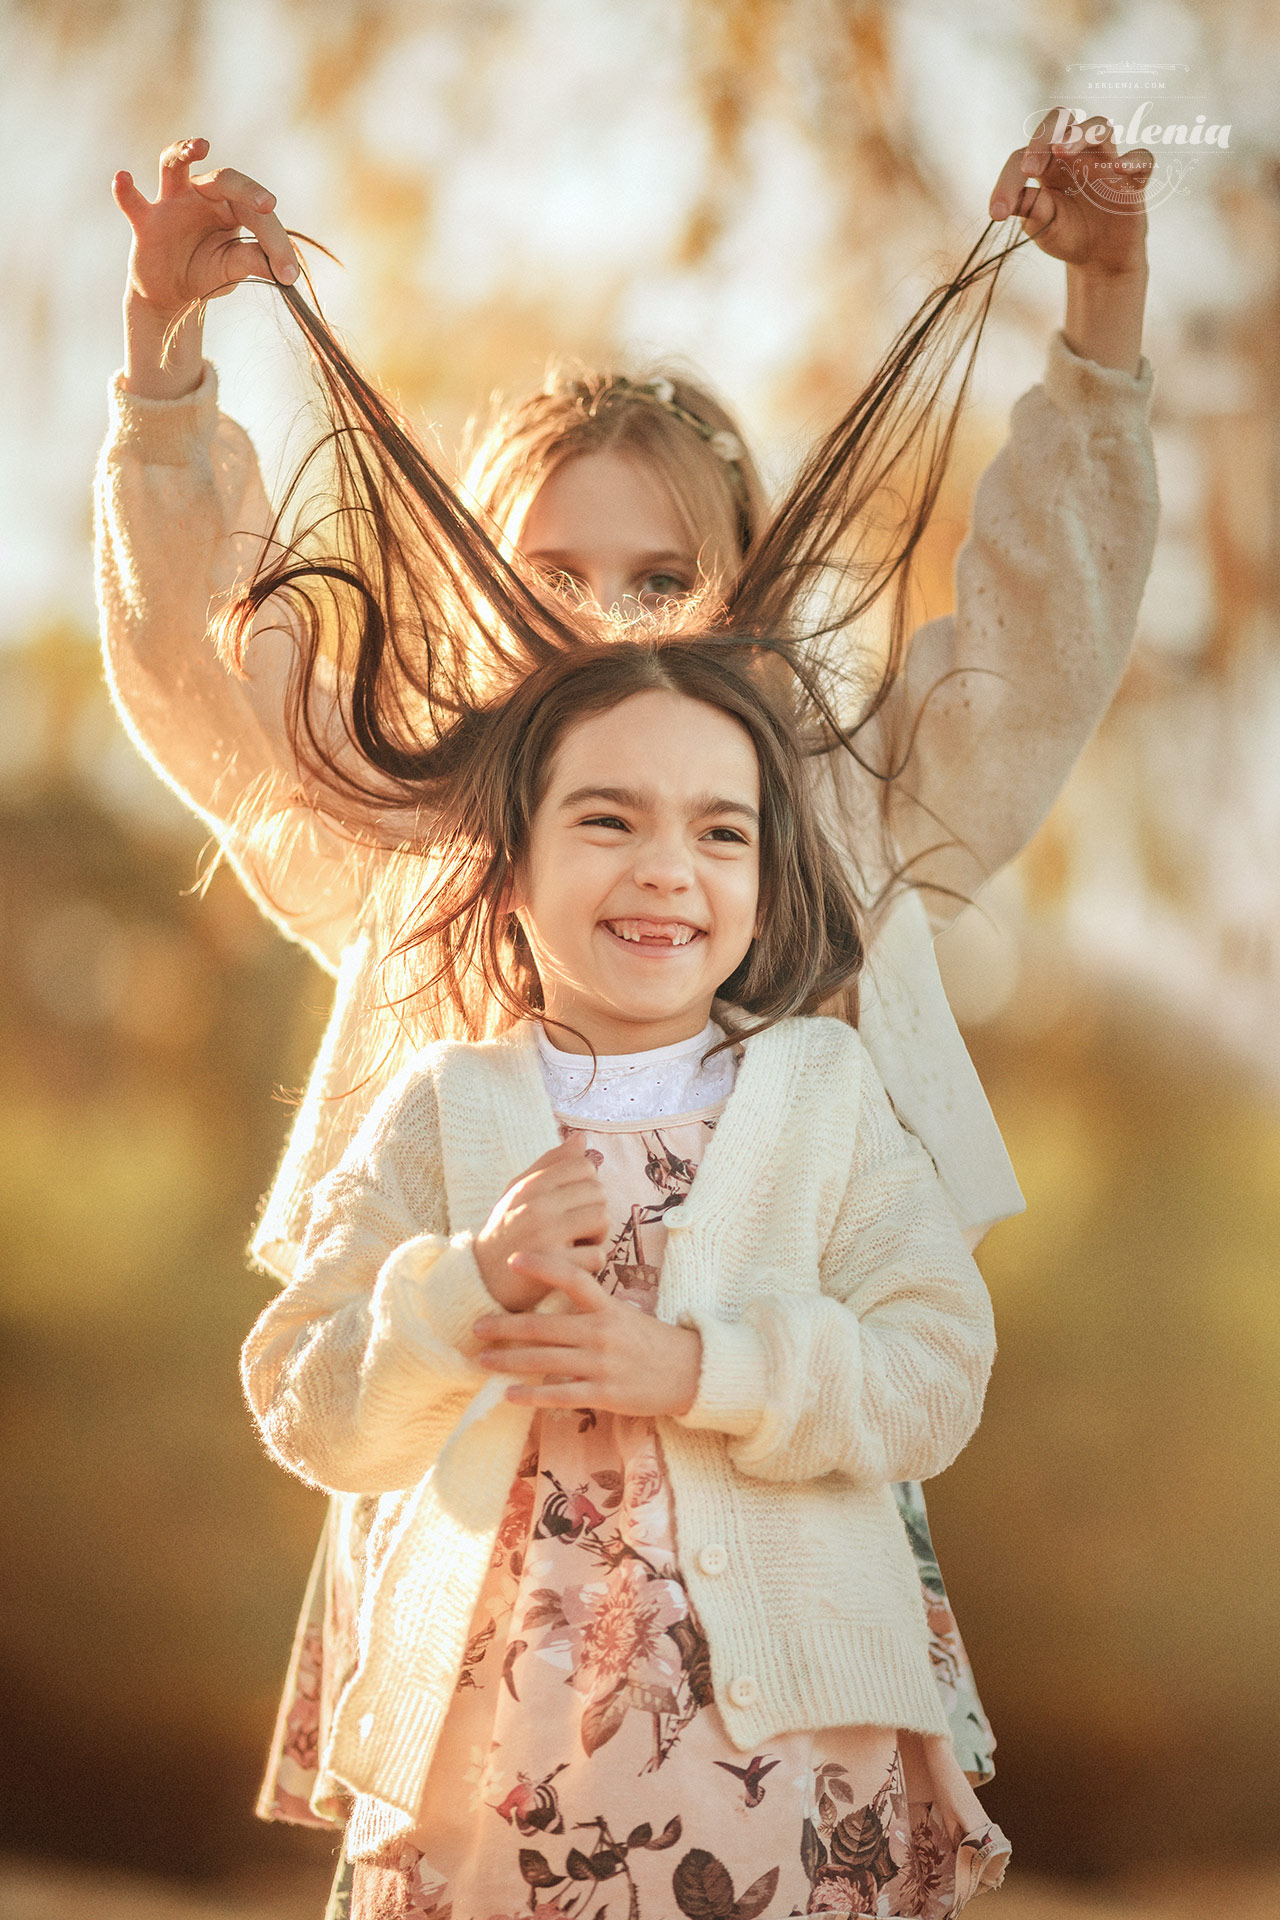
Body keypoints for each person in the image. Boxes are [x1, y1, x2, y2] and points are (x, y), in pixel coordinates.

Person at [94, 107, 1157, 1906]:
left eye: (660, 574)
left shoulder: (823, 812)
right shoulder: (422, 839)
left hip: (764, 1559)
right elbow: (206, 673)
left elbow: (1036, 644)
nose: (604, 613)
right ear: (481, 585)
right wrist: (167, 374)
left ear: (733, 591)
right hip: (495, 1582)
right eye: (556, 571)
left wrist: (1105, 322)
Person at [239, 635, 1010, 1919]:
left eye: (721, 833)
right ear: (509, 868)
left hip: (787, 1764)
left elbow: (935, 1372)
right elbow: (306, 1402)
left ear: (765, 880)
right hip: (494, 1774)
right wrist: (466, 1288)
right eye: (608, 819)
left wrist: (703, 1369)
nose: (666, 868)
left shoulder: (825, 1096)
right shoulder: (438, 1114)